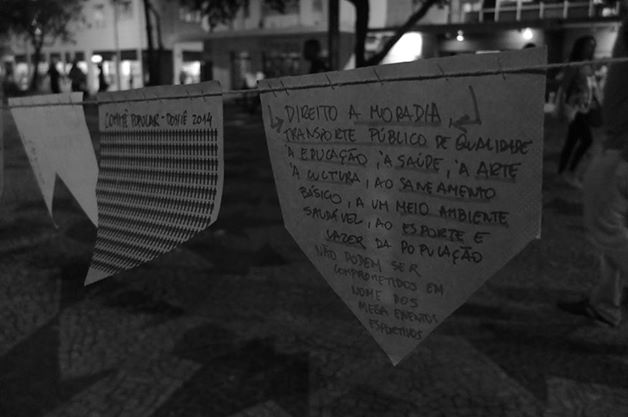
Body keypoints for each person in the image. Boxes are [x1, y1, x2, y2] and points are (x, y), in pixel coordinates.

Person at [558, 13, 628, 327]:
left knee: (605, 227)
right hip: (615, 142)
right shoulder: (580, 65)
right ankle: (605, 304)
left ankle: (605, 304)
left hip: (621, 149)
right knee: (616, 227)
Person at [556, 35, 601, 189]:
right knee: (587, 140)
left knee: (571, 141)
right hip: (574, 109)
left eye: (593, 45)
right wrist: (562, 107)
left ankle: (562, 172)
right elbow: (564, 87)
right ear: (580, 47)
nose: (591, 48)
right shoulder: (574, 64)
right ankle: (569, 172)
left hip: (586, 108)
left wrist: (594, 100)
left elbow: (592, 86)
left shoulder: (590, 65)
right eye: (588, 45)